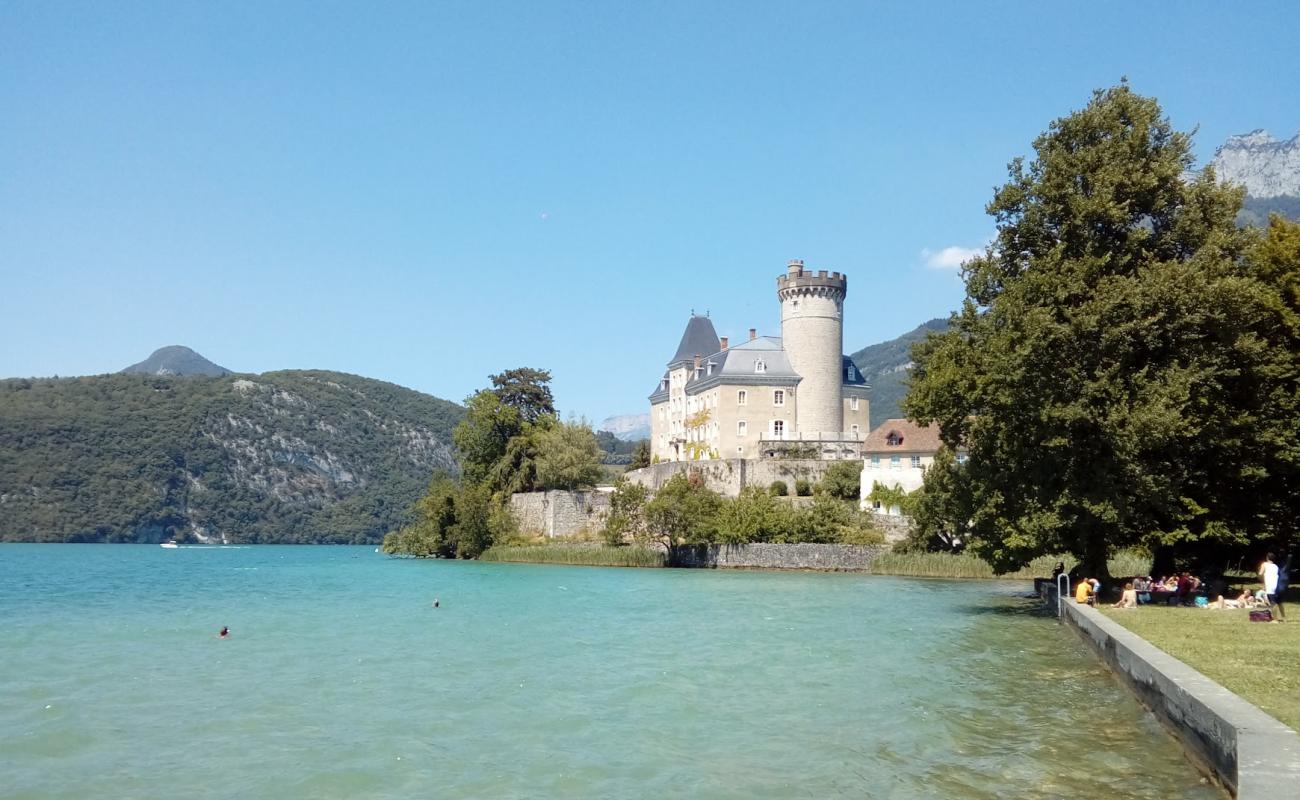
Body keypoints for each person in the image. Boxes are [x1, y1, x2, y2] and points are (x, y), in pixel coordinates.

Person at [1260, 552, 1285, 621]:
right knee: (1279, 602)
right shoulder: (1276, 566)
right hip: (1277, 586)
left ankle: (1275, 620)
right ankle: (1284, 618)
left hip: (1270, 586)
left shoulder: (1264, 564)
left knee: (1273, 603)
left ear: (1267, 557)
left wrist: (1263, 582)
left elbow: (1260, 574)